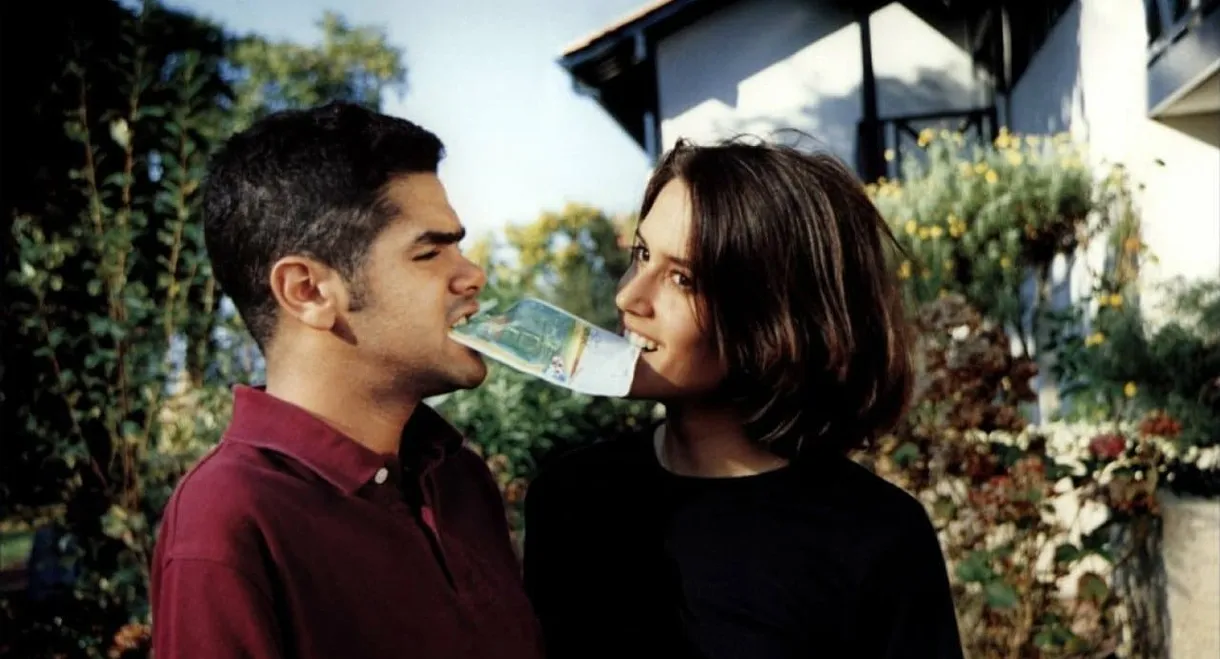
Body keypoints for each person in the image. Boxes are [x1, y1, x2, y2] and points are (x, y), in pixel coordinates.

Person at [523, 137, 964, 659]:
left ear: (776, 317)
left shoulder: (876, 541)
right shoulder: (571, 498)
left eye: (682, 279)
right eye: (641, 254)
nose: (628, 297)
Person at [150, 102, 544, 659]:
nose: (473, 273)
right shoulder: (227, 523)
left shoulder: (459, 479)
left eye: (459, 244)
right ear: (307, 291)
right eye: (430, 252)